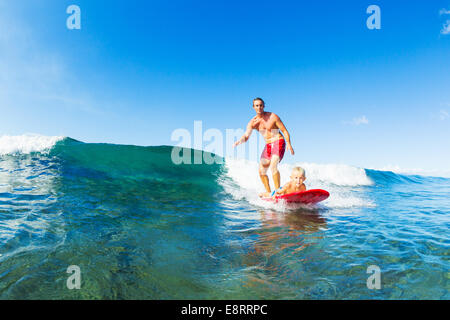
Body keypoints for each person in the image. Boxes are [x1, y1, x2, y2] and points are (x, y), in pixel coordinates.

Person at [233, 97, 294, 197]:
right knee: (261, 171)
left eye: (261, 105)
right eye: (257, 105)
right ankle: (270, 193)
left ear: (264, 106)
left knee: (273, 165)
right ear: (253, 107)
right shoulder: (253, 122)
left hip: (278, 141)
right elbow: (246, 136)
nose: (259, 107)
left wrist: (288, 143)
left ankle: (278, 191)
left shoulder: (273, 116)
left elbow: (284, 130)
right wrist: (240, 140)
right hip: (268, 145)